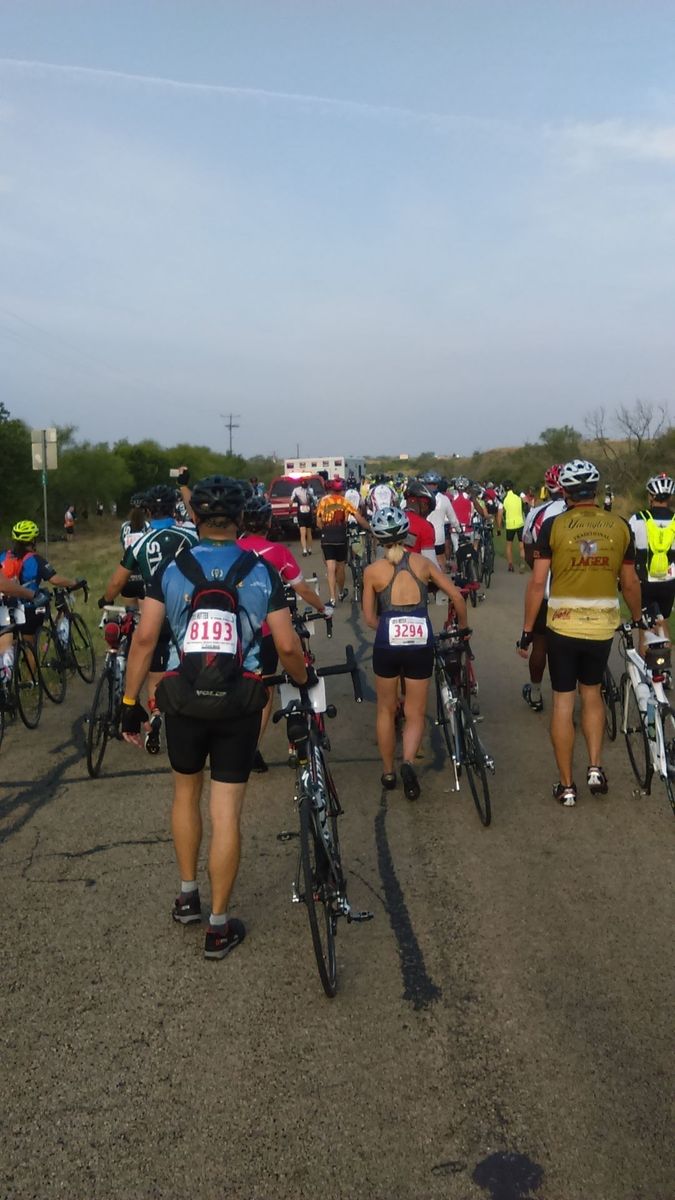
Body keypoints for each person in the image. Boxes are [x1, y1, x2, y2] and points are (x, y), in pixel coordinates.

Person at [120, 476, 308, 961]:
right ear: (242, 518)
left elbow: (145, 639)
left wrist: (130, 702)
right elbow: (287, 645)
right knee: (226, 814)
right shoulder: (261, 570)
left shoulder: (174, 568)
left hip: (183, 699)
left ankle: (188, 896)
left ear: (195, 518)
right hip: (238, 703)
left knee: (185, 795)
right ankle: (219, 927)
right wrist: (302, 679)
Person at [518, 459, 642, 807]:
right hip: (601, 624)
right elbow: (630, 582)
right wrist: (637, 618)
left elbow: (538, 582)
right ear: (596, 491)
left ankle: (567, 786)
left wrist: (527, 629)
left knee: (563, 699)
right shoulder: (619, 526)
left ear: (566, 492)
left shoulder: (554, 526)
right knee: (592, 693)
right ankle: (595, 768)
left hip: (563, 624)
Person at [362, 507, 469, 801]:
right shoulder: (422, 564)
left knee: (385, 710)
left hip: (387, 644)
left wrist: (387, 628)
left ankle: (388, 771)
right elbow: (456, 596)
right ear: (406, 534)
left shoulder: (372, 571)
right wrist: (463, 628)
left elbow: (369, 618)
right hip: (420, 643)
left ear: (378, 539)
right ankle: (408, 762)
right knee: (414, 712)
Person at [98, 484, 198, 753]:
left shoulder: (140, 541)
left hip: (155, 611)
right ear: (174, 508)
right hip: (187, 612)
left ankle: (155, 714)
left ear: (148, 512)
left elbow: (118, 580)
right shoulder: (190, 533)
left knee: (154, 666)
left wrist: (105, 599)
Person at [238, 493, 329, 772]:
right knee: (264, 688)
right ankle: (250, 747)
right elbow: (302, 588)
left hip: (232, 630)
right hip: (265, 630)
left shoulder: (232, 548)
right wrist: (323, 608)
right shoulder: (277, 552)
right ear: (268, 522)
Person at [0, 521, 80, 681]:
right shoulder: (35, 559)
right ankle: (31, 682)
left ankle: (9, 678)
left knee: (8, 644)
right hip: (29, 607)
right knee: (30, 646)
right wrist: (74, 583)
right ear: (32, 540)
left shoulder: (4, 556)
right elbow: (55, 579)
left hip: (6, 607)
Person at [520, 465, 566, 712]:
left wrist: (541, 569)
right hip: (581, 590)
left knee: (540, 644)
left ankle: (536, 693)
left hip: (547, 590)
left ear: (546, 488)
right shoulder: (587, 512)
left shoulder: (537, 513)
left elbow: (529, 552)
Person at [628, 473, 675, 654]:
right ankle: (666, 667)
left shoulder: (638, 519)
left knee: (645, 629)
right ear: (670, 498)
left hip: (644, 582)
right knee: (662, 622)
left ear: (651, 496)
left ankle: (646, 670)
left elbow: (628, 550)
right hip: (669, 582)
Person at [315, 479, 370, 605]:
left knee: (330, 568)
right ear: (341, 490)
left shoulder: (323, 501)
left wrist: (325, 529)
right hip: (340, 536)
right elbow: (359, 518)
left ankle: (332, 598)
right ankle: (340, 592)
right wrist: (369, 528)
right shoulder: (345, 501)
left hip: (327, 536)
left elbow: (318, 522)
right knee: (340, 567)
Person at [402, 480, 438, 561]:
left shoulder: (394, 519)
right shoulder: (425, 527)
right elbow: (430, 561)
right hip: (412, 567)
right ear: (424, 505)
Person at [498, 481, 525, 572]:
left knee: (509, 546)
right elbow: (527, 501)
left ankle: (510, 565)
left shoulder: (503, 499)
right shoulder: (518, 494)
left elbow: (499, 514)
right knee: (521, 545)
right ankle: (522, 564)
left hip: (510, 525)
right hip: (520, 523)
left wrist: (499, 528)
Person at [289, 479, 316, 557]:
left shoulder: (296, 490)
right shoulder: (310, 490)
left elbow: (291, 501)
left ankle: (304, 549)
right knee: (309, 531)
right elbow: (314, 501)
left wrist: (290, 509)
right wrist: (315, 508)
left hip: (300, 512)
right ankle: (309, 549)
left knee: (302, 532)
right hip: (308, 512)